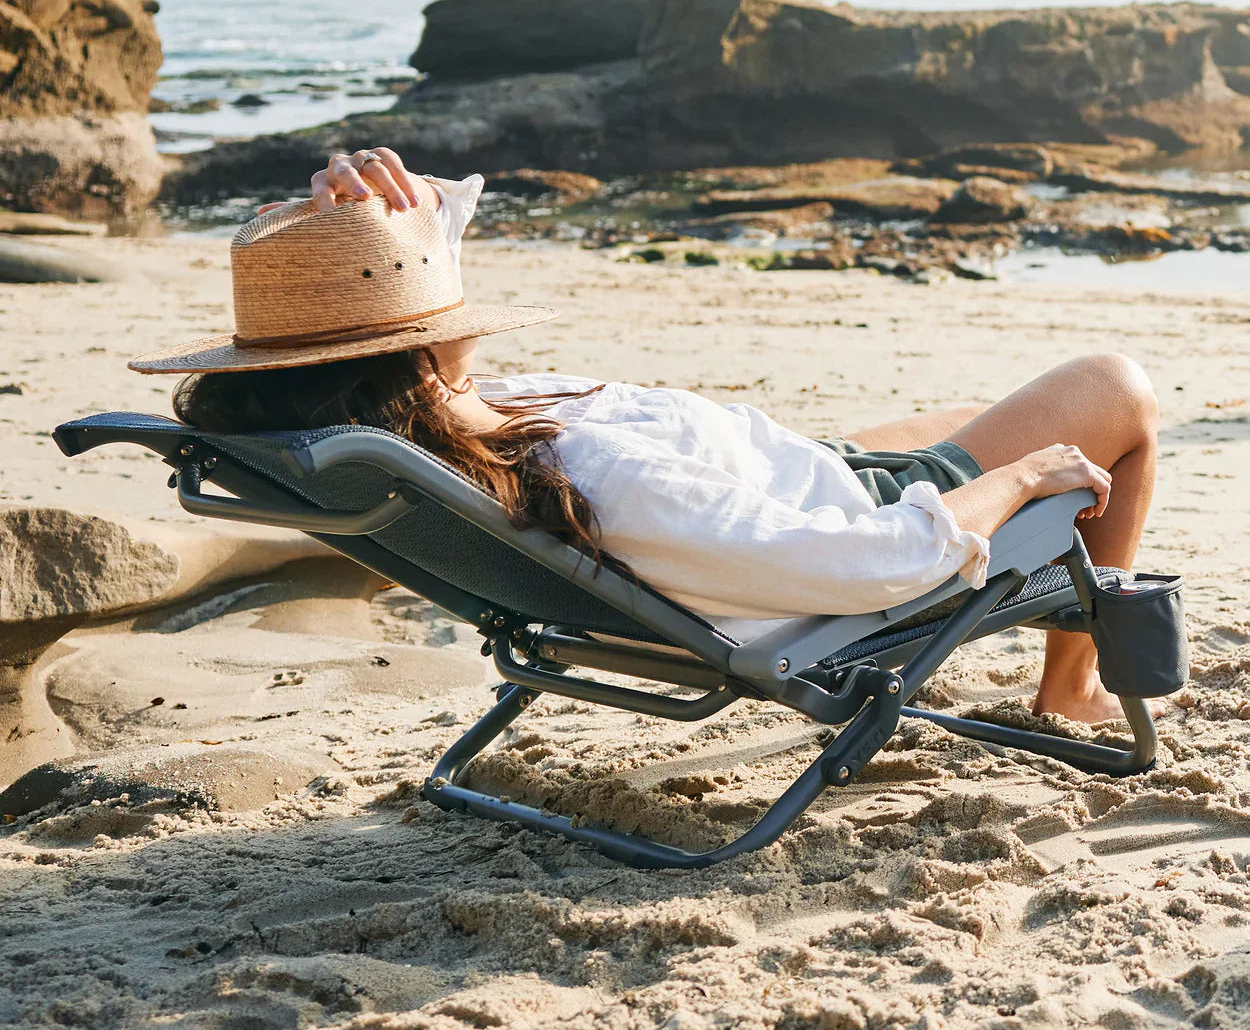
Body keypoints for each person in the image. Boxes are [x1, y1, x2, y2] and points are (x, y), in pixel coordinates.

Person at [133, 147, 1161, 727]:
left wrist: (362, 230)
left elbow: (417, 285)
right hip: (852, 519)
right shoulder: (596, 473)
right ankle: (1068, 687)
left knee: (954, 415)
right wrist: (1026, 470)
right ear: (420, 354)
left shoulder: (432, 430)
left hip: (803, 474)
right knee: (1116, 394)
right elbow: (880, 562)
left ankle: (1061, 640)